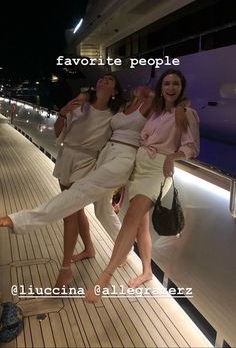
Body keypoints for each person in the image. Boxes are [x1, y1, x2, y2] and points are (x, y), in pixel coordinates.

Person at [84, 69, 200, 302]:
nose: (170, 87)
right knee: (140, 225)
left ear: (182, 87)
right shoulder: (156, 112)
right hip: (139, 166)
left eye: (176, 83)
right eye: (166, 83)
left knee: (130, 219)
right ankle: (147, 271)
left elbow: (192, 147)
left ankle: (105, 277)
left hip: (158, 171)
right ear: (161, 87)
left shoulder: (187, 113)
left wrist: (171, 157)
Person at [51, 76, 123, 287]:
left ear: (115, 92)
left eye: (111, 80)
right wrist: (62, 113)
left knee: (68, 213)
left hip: (87, 162)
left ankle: (65, 268)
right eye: (103, 78)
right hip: (67, 157)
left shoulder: (114, 116)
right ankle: (89, 248)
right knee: (77, 211)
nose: (105, 80)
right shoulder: (80, 105)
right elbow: (58, 132)